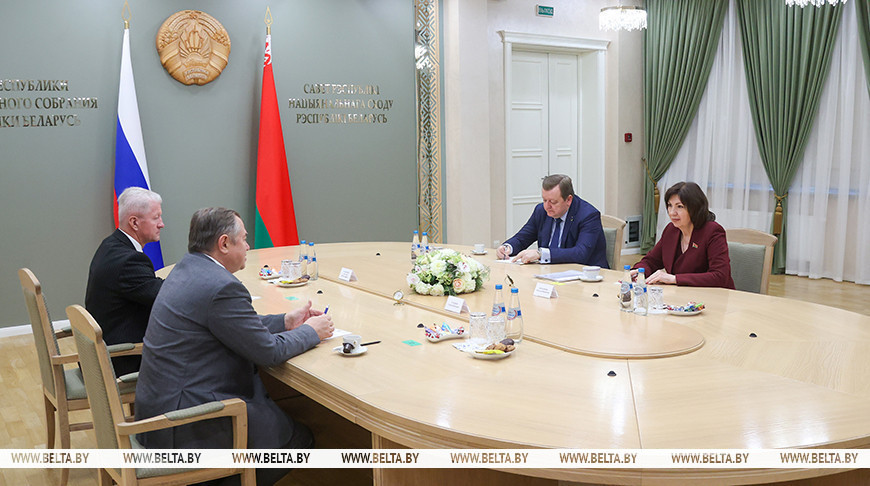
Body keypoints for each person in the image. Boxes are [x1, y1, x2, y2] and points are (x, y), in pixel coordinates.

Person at [135, 207, 333, 486]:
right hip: (188, 423)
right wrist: (311, 332)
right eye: (244, 239)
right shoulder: (221, 287)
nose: (249, 246)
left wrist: (285, 321)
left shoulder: (187, 268)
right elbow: (269, 352)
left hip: (158, 408)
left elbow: (231, 323)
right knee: (300, 441)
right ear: (224, 243)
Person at [85, 187, 164, 376]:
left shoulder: (110, 245)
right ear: (134, 222)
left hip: (103, 351)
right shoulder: (130, 261)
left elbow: (149, 287)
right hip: (122, 360)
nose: (161, 224)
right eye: (156, 218)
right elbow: (166, 298)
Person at [632, 181, 735, 289]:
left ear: (695, 208)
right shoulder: (671, 230)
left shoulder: (713, 231)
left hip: (714, 296)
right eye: (670, 205)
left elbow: (720, 276)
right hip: (682, 294)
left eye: (679, 206)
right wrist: (639, 272)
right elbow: (651, 261)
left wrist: (674, 279)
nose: (672, 212)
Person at [496, 174, 609, 267]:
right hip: (549, 273)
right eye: (544, 200)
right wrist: (507, 248)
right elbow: (522, 238)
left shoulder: (588, 215)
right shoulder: (541, 211)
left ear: (568, 200)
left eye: (553, 202)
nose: (547, 206)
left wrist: (541, 254)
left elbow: (580, 253)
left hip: (585, 277)